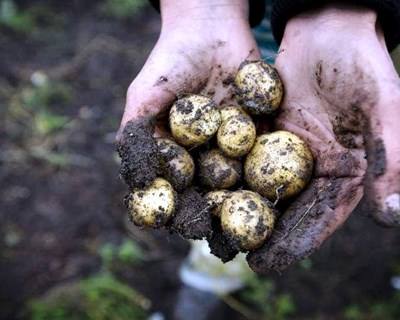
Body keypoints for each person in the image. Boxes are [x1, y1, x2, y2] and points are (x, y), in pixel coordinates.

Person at [119, 0, 400, 273]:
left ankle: (221, 270)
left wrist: (338, 12)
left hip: (306, 39)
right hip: (231, 33)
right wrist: (202, 9)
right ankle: (211, 267)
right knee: (206, 222)